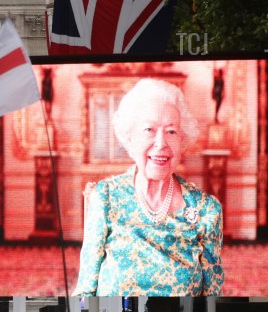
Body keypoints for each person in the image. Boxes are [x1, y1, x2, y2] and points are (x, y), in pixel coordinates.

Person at [75, 79, 223, 296]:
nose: (161, 143)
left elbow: (212, 298)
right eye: (149, 130)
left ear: (182, 140)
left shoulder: (206, 209)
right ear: (130, 139)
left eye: (171, 131)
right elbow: (85, 292)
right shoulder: (107, 197)